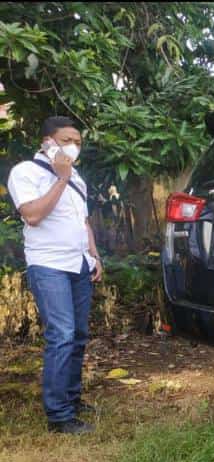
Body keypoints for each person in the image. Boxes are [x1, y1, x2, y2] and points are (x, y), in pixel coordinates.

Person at [7, 116, 103, 435]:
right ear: (47, 142)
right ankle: (58, 415)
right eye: (66, 140)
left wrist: (94, 255)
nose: (73, 146)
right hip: (48, 265)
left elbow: (83, 221)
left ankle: (72, 400)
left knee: (77, 336)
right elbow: (32, 215)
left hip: (79, 264)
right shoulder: (25, 172)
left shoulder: (77, 176)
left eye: (77, 140)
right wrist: (60, 179)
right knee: (61, 335)